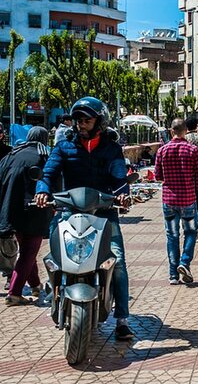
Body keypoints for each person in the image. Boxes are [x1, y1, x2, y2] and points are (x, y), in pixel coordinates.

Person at [35, 97, 134, 340]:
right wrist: (41, 190)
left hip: (104, 212)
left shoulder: (111, 148)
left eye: (87, 119)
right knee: (54, 257)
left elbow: (119, 176)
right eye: (78, 119)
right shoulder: (64, 145)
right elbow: (49, 172)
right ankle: (55, 292)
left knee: (117, 261)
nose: (81, 123)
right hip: (70, 210)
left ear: (99, 121)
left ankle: (122, 319)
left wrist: (123, 195)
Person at [0, 127, 52, 306]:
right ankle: (14, 293)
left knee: (27, 250)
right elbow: (51, 180)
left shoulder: (12, 154)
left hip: (10, 210)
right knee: (29, 251)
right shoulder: (44, 156)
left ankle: (36, 285)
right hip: (33, 210)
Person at [154, 119, 198, 285]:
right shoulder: (192, 150)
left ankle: (173, 275)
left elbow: (158, 176)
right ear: (185, 131)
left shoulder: (162, 151)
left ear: (171, 131)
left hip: (169, 201)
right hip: (188, 200)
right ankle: (184, 262)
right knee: (190, 232)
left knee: (172, 235)